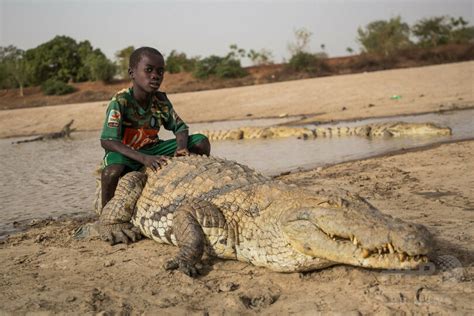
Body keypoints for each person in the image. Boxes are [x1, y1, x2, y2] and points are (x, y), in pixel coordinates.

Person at [100, 47, 210, 208]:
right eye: (149, 70)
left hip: (153, 148)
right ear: (132, 73)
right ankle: (105, 212)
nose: (155, 76)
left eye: (160, 71)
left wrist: (181, 147)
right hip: (126, 153)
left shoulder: (160, 100)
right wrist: (144, 159)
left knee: (201, 141)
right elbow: (108, 141)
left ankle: (191, 190)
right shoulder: (120, 101)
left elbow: (180, 127)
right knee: (112, 172)